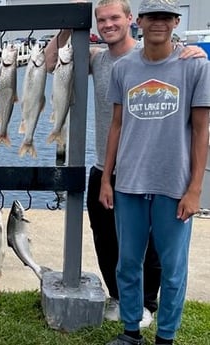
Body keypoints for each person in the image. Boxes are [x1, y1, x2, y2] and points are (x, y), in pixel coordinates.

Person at [44, 0, 207, 328]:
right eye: (101, 20)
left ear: (131, 20)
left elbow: (198, 121)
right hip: (106, 168)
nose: (107, 25)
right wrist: (65, 25)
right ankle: (121, 300)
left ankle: (147, 303)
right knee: (107, 240)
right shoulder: (98, 60)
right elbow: (50, 64)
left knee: (157, 251)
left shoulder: (171, 60)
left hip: (155, 173)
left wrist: (195, 50)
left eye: (114, 18)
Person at [100, 0, 210, 344]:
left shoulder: (195, 66)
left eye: (166, 17)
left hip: (173, 185)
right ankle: (131, 332)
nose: (158, 23)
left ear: (176, 21)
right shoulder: (123, 68)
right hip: (129, 183)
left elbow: (202, 130)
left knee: (174, 270)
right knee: (127, 264)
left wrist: (195, 189)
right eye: (152, 17)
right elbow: (116, 125)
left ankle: (166, 337)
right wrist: (107, 177)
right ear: (141, 22)